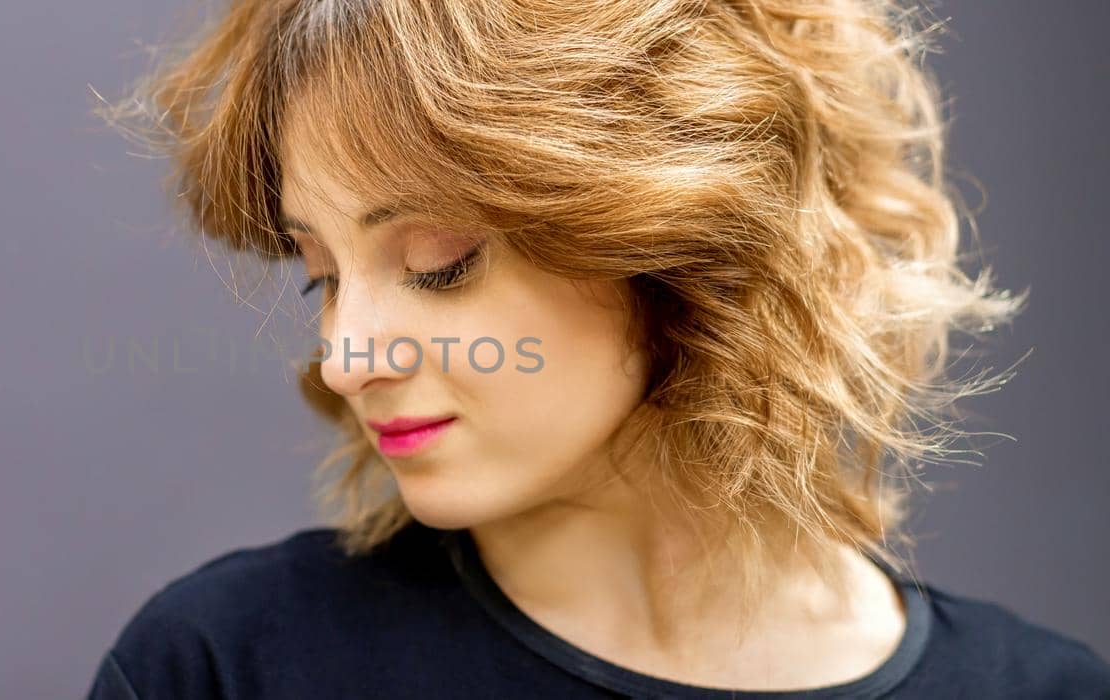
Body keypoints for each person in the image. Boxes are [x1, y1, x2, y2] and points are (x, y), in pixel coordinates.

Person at [86, 0, 1110, 697]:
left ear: (677, 231)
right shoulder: (231, 666)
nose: (346, 356)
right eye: (318, 273)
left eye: (439, 261)